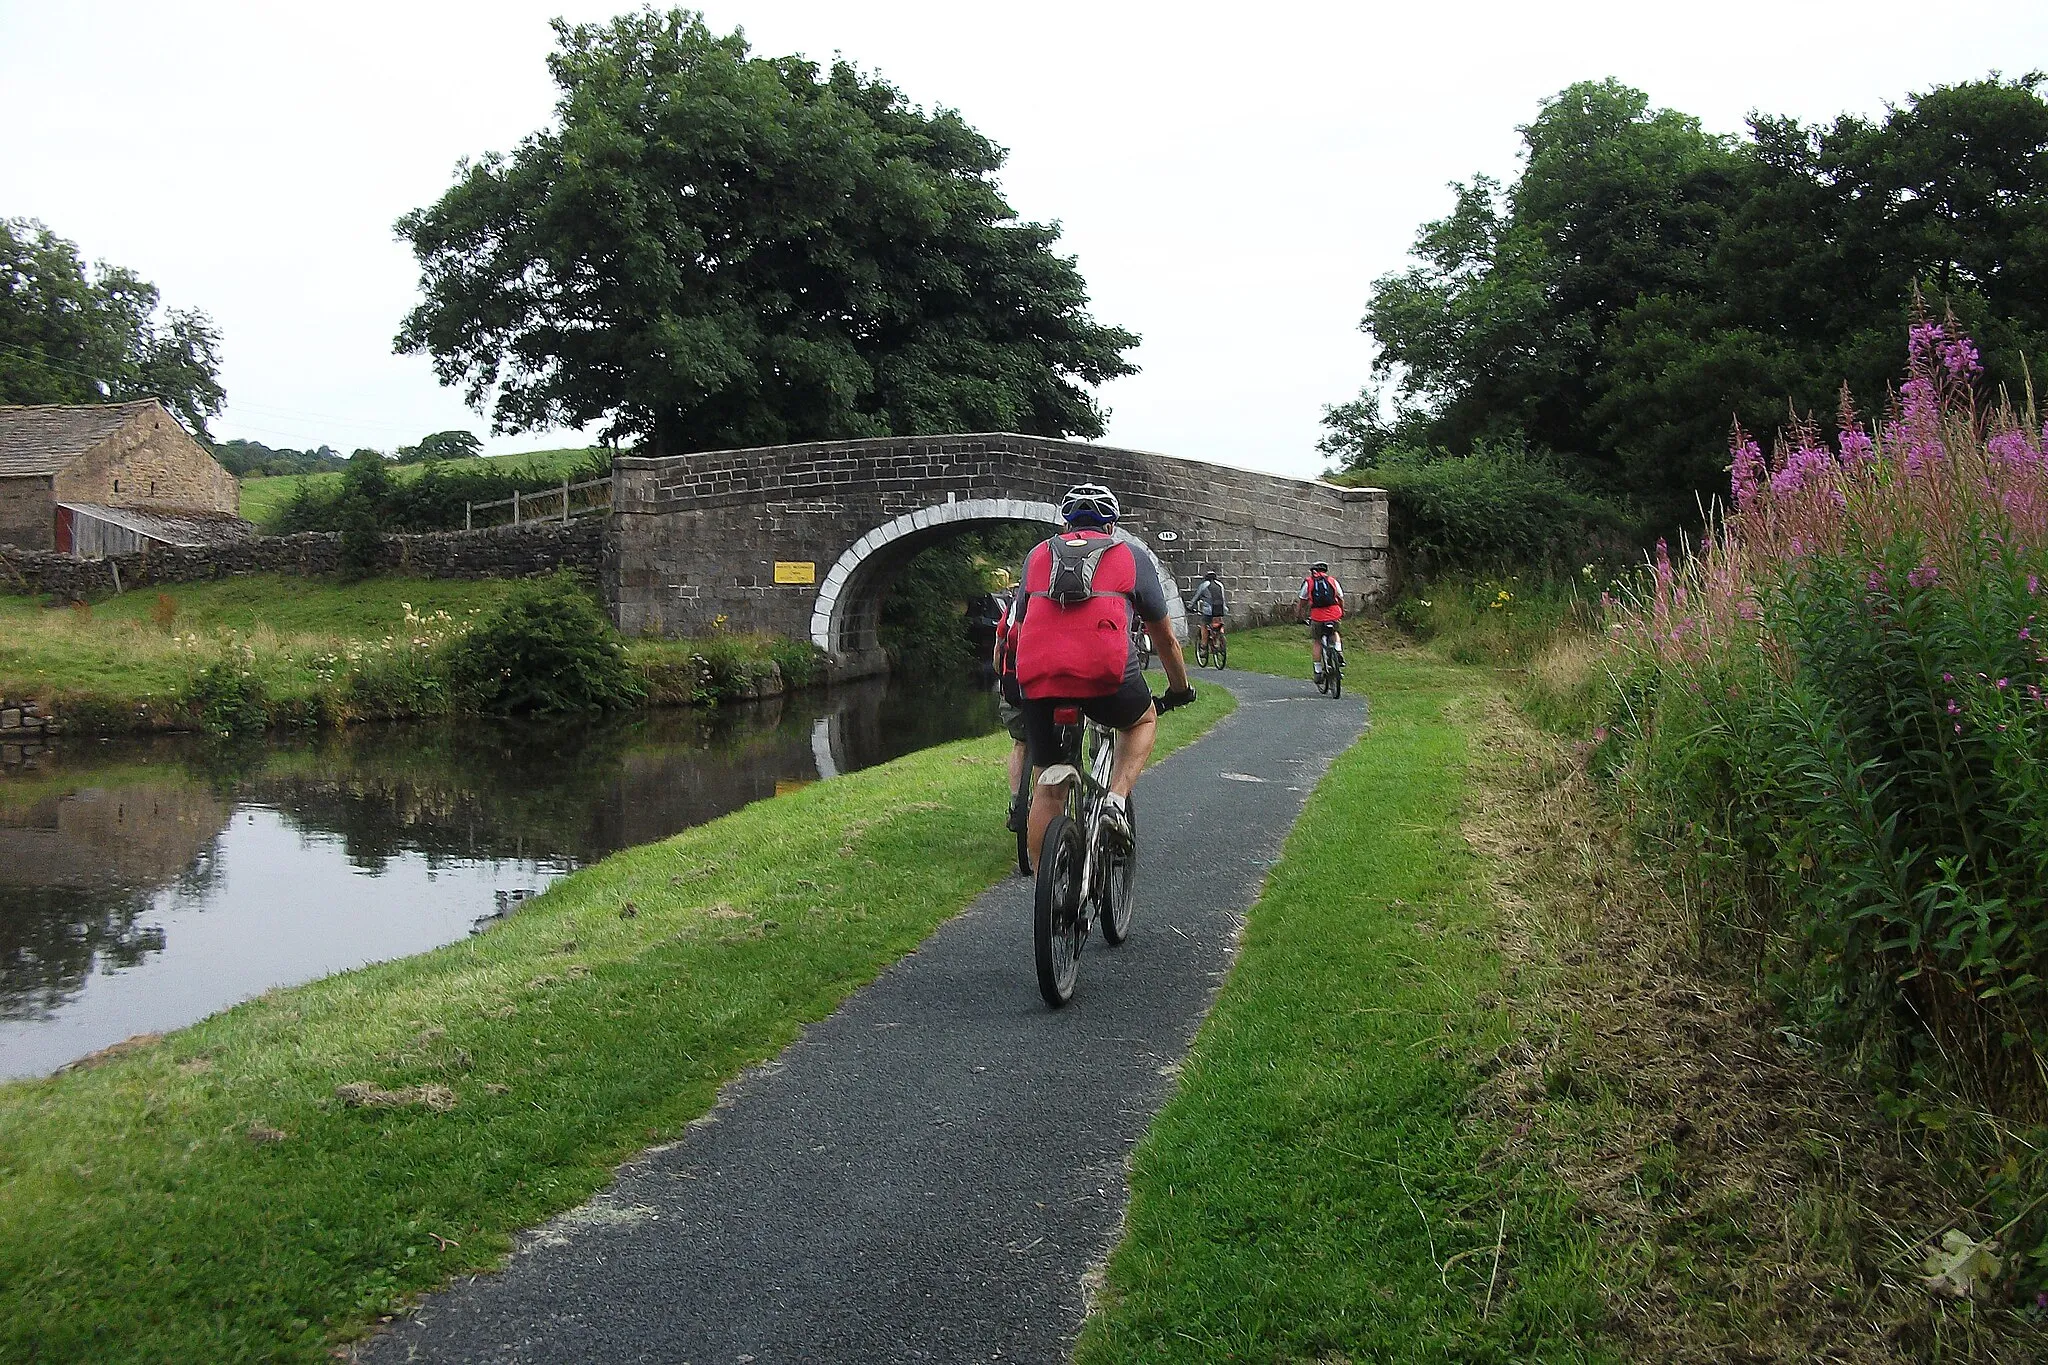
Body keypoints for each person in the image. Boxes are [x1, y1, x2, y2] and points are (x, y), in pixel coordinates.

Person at [1009, 483, 1195, 868]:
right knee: (1142, 720)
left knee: (1047, 783)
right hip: (1106, 677)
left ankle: (1052, 892)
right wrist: (1179, 689)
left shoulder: (1037, 555)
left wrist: (1014, 684)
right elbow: (1165, 639)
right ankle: (1115, 798)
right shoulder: (1131, 556)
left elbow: (1019, 625)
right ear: (1111, 524)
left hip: (1039, 679)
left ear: (1066, 522)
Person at [1297, 560, 1345, 683]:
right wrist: (1341, 611)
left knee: (1317, 641)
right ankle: (1339, 651)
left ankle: (1318, 671)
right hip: (1333, 613)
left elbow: (1302, 601)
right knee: (1335, 632)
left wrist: (1300, 615)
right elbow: (1340, 598)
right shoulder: (1332, 581)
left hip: (1317, 616)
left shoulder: (1309, 582)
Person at [1189, 568, 1227, 656]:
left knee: (1204, 625)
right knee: (1218, 624)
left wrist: (1190, 606)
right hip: (1220, 610)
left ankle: (1203, 647)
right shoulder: (1220, 585)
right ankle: (1218, 640)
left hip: (1209, 611)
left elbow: (1196, 597)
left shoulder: (1204, 585)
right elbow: (1223, 598)